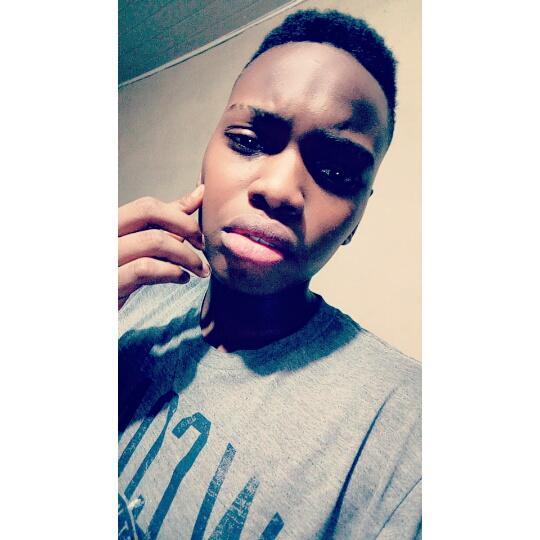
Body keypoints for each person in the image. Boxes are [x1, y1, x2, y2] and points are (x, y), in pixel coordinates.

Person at [118, 9, 421, 540]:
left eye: (336, 171)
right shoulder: (132, 297)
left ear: (357, 219)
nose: (280, 189)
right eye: (247, 140)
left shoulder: (406, 435)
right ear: (205, 161)